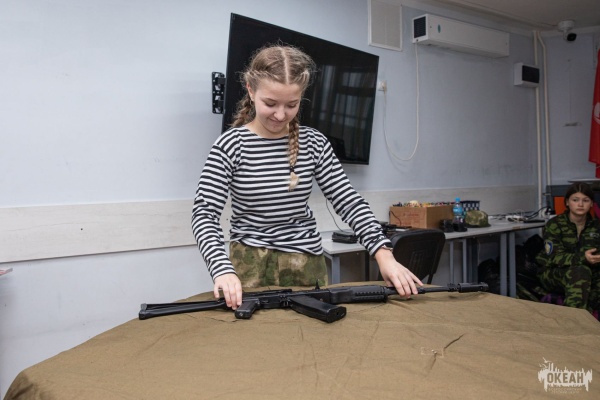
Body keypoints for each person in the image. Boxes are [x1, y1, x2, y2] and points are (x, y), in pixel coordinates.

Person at [192, 44, 422, 310]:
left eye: (292, 104)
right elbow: (204, 213)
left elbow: (348, 201)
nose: (281, 115)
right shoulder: (230, 145)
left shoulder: (313, 143)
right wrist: (221, 269)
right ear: (251, 90)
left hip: (306, 265)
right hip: (250, 267)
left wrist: (383, 254)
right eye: (270, 103)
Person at [535, 182, 600, 315]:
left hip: (590, 270)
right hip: (554, 272)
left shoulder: (597, 226)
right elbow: (555, 257)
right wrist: (584, 258)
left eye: (585, 200)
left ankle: (589, 316)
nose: (580, 204)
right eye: (575, 200)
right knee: (580, 272)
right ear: (567, 202)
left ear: (591, 204)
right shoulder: (555, 225)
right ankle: (574, 320)